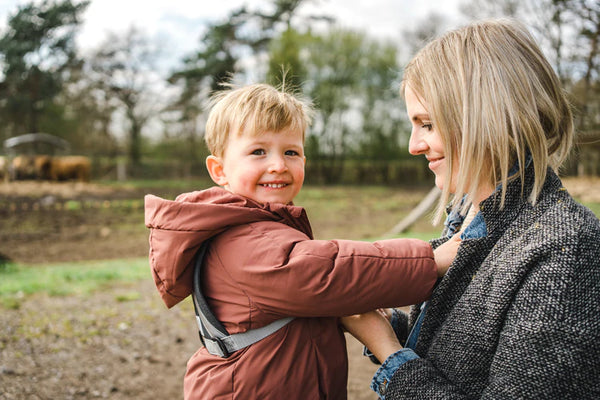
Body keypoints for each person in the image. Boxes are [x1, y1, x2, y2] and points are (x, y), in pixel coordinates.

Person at [144, 83, 460, 399]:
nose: (278, 164)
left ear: (304, 163)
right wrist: (432, 260)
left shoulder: (262, 226)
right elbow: (326, 271)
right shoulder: (240, 239)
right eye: (258, 152)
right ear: (219, 170)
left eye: (291, 152)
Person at [341, 18, 600, 399]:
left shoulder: (564, 246)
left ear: (486, 116)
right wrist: (388, 325)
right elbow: (462, 354)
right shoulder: (470, 220)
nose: (414, 145)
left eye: (426, 124)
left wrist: (390, 354)